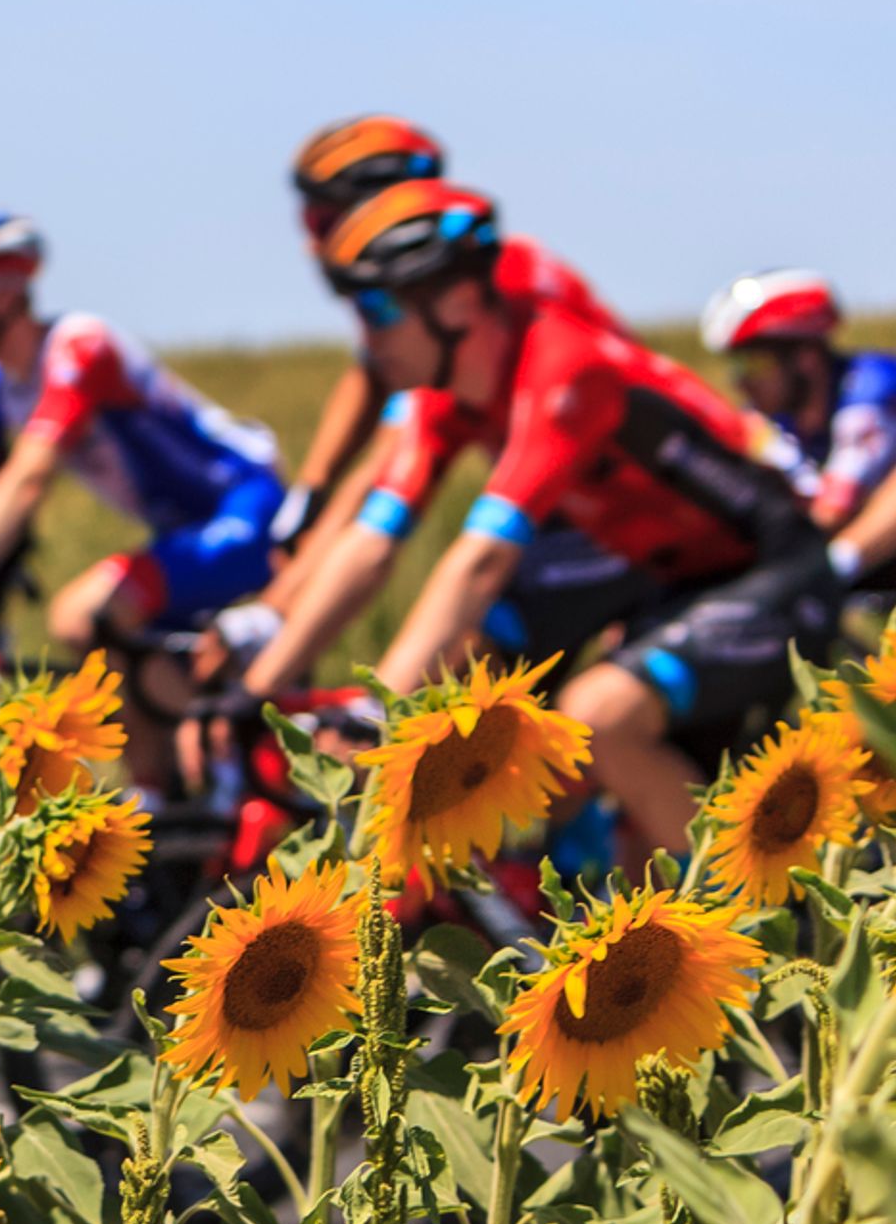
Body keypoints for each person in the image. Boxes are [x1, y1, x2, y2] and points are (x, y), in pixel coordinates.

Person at [238, 183, 835, 861]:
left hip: (777, 570)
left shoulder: (564, 369)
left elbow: (481, 560)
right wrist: (254, 689)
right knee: (478, 701)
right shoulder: (444, 392)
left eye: (378, 310)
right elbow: (372, 543)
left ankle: (761, 932)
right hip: (670, 584)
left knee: (596, 717)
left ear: (460, 303)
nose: (367, 341)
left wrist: (379, 712)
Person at [0, 206, 285, 656]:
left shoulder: (79, 347)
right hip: (180, 531)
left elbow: (28, 479)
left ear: (2, 299)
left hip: (246, 508)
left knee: (81, 617)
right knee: (125, 670)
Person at [276, 115, 617, 531]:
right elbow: (368, 374)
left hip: (599, 496)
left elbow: (388, 471)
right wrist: (312, 488)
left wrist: (298, 549)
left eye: (323, 222)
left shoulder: (465, 295)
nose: (310, 242)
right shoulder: (427, 297)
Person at [702, 270, 896, 582]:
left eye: (754, 363)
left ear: (805, 358)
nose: (742, 380)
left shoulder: (872, 387)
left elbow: (831, 512)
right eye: (736, 366)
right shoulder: (767, 421)